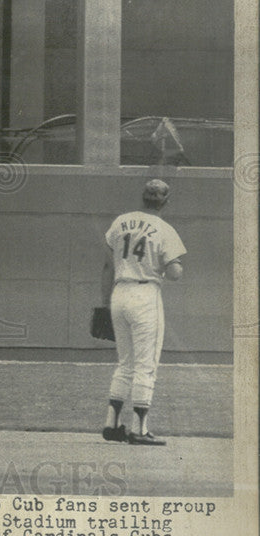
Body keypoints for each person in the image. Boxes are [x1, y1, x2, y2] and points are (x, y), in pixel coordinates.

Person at [100, 179, 186, 446]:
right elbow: (174, 273)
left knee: (125, 364)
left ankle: (111, 425)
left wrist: (104, 305)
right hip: (145, 294)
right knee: (145, 366)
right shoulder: (164, 228)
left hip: (119, 294)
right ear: (165, 201)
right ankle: (139, 430)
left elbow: (107, 266)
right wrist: (173, 266)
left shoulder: (121, 221)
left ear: (143, 198)